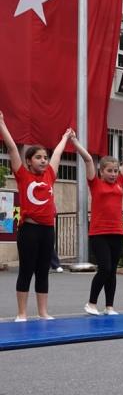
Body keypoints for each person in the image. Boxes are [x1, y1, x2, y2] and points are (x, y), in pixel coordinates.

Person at [0, 110, 71, 321]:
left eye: (45, 158)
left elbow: (58, 154)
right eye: (38, 158)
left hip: (48, 229)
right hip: (29, 229)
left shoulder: (50, 173)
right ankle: (22, 312)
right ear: (29, 161)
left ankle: (43, 312)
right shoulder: (23, 175)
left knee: (43, 271)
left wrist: (65, 138)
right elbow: (12, 148)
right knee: (27, 270)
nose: (43, 161)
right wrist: (2, 124)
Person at [71, 133, 123, 315]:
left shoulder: (120, 183)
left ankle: (109, 306)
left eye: (115, 171)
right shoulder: (94, 183)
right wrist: (74, 142)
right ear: (101, 171)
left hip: (117, 232)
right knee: (105, 267)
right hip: (99, 233)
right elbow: (87, 159)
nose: (113, 174)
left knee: (112, 271)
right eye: (109, 171)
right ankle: (91, 303)